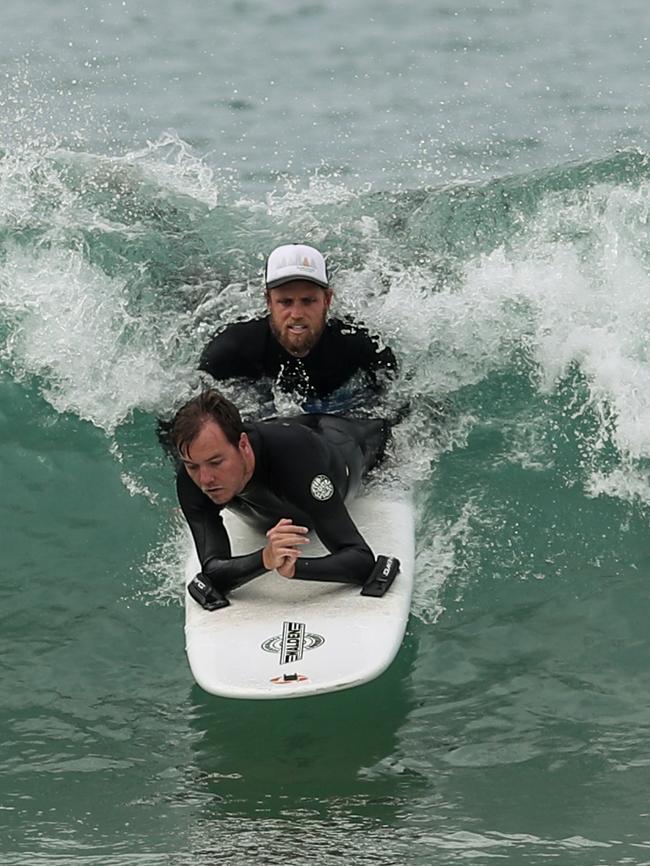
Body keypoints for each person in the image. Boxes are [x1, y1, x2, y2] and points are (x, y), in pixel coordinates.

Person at [173, 389, 391, 606]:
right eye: (193, 466)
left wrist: (297, 567)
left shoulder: (297, 462)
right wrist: (265, 559)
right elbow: (213, 572)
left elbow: (360, 560)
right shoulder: (190, 478)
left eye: (216, 462)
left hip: (348, 439)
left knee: (386, 423)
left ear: (243, 446)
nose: (205, 480)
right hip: (285, 427)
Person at [198, 243, 397, 414]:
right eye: (285, 302)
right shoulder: (230, 351)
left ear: (327, 300)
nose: (297, 314)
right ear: (268, 301)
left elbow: (398, 406)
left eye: (308, 301)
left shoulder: (362, 344)